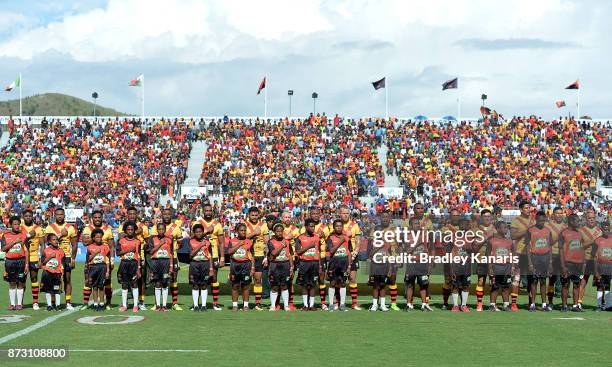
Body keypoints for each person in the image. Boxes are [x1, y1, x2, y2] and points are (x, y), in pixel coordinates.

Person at [43, 208, 77, 310]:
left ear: (64, 215)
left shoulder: (70, 228)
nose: (59, 216)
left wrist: (73, 259)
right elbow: (46, 241)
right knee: (52, 280)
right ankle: (53, 303)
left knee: (67, 279)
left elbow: (74, 245)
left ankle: (68, 303)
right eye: (57, 214)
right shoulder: (50, 227)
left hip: (65, 256)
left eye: (61, 214)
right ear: (55, 215)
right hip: (53, 257)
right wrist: (60, 235)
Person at [81, 210, 115, 310]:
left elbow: (112, 246)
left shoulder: (107, 229)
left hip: (105, 261)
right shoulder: (87, 229)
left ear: (102, 218)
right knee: (88, 281)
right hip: (91, 260)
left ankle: (108, 303)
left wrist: (112, 259)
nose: (97, 219)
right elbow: (84, 242)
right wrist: (95, 237)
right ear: (92, 218)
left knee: (107, 281)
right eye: (95, 217)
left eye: (99, 217)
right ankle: (85, 303)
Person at [193, 203, 224, 310]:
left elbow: (221, 242)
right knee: (199, 280)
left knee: (214, 278)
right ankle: (198, 304)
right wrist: (206, 231)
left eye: (210, 210)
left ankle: (215, 303)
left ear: (212, 212)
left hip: (214, 255)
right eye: (206, 210)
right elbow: (192, 237)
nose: (208, 212)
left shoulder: (217, 224)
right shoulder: (197, 223)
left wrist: (222, 257)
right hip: (200, 256)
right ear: (203, 211)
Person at [150, 208, 183, 310]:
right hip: (158, 258)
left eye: (169, 214)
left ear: (171, 215)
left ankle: (174, 303)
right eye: (165, 214)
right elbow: (153, 242)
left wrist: (173, 249)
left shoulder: (176, 227)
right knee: (157, 280)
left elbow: (180, 242)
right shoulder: (156, 228)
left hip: (172, 257)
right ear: (162, 215)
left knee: (173, 279)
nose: (167, 216)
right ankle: (157, 304)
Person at [120, 206, 150, 310]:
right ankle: (126, 303)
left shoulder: (143, 226)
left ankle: (141, 302)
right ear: (127, 215)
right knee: (126, 280)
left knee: (140, 279)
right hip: (125, 257)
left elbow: (148, 241)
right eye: (130, 214)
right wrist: (136, 232)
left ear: (137, 214)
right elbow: (120, 237)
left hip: (139, 256)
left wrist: (146, 246)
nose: (132, 216)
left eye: (134, 214)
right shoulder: (123, 225)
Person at [303, 206, 330, 310]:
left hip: (321, 257)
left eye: (317, 214)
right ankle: (308, 303)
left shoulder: (325, 227)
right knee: (308, 280)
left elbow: (329, 242)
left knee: (321, 279)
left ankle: (323, 302)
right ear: (310, 215)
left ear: (320, 215)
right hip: (308, 258)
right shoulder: (305, 226)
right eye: (313, 214)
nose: (315, 215)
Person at [525, 211, 554, 312]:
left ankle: (544, 304)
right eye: (539, 220)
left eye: (543, 220)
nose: (541, 222)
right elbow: (527, 247)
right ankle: (532, 304)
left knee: (543, 281)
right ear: (536, 220)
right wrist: (529, 262)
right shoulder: (530, 231)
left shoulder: (548, 231)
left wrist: (550, 262)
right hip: (534, 257)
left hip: (545, 258)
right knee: (534, 281)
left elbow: (550, 247)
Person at [510, 201, 535, 311]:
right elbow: (513, 235)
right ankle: (514, 303)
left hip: (532, 253)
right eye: (526, 208)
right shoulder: (516, 221)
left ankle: (531, 303)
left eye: (529, 207)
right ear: (521, 209)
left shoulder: (534, 220)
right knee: (517, 278)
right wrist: (526, 231)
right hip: (519, 252)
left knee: (532, 279)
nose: (528, 209)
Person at [404, 218, 433, 312]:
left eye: (418, 223)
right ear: (410, 226)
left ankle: (424, 304)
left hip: (422, 263)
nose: (417, 225)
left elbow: (429, 248)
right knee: (409, 285)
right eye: (415, 223)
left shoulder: (424, 236)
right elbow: (407, 251)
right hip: (411, 263)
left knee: (423, 285)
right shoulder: (407, 236)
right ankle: (409, 304)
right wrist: (417, 242)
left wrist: (430, 260)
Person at [559, 214, 586, 312]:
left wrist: (583, 262)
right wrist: (562, 265)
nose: (579, 223)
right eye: (577, 221)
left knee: (576, 284)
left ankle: (575, 306)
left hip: (578, 263)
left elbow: (581, 248)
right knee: (565, 285)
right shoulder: (563, 233)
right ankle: (564, 305)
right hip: (567, 263)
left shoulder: (579, 233)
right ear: (571, 222)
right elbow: (560, 250)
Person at [338, 205, 363, 310]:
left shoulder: (355, 225)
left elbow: (358, 240)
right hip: (339, 256)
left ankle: (354, 303)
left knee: (352, 278)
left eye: (347, 213)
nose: (345, 215)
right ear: (339, 214)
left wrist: (355, 252)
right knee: (339, 280)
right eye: (343, 213)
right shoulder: (336, 225)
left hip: (352, 255)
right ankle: (339, 303)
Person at [245, 207, 269, 311]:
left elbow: (268, 243)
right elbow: (241, 239)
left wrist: (267, 257)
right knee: (245, 281)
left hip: (259, 256)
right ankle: (245, 304)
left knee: (258, 280)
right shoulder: (244, 224)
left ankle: (257, 303)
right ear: (248, 215)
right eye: (252, 215)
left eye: (256, 215)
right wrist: (254, 233)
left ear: (258, 215)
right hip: (247, 256)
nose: (254, 217)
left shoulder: (263, 225)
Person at [295, 219, 322, 311]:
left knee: (313, 285)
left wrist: (320, 265)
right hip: (304, 264)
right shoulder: (300, 238)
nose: (312, 228)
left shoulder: (317, 237)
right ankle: (305, 305)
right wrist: (309, 246)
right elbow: (298, 252)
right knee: (304, 285)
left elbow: (319, 251)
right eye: (310, 226)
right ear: (306, 227)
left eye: (314, 226)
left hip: (314, 264)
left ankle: (312, 305)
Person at [2, 216, 29, 310]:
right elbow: (3, 249)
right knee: (12, 282)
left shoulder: (23, 236)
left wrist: (27, 264)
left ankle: (19, 304)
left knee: (20, 282)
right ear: (10, 225)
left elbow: (26, 251)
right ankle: (12, 304)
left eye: (18, 224)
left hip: (21, 261)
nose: (17, 226)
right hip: (10, 262)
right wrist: (14, 242)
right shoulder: (5, 236)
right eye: (15, 224)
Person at [487, 221, 514, 311]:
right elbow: (488, 255)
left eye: (507, 227)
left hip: (507, 266)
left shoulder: (509, 241)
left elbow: (513, 255)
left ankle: (506, 305)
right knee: (495, 286)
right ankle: (492, 305)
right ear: (498, 229)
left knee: (506, 286)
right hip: (496, 266)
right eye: (504, 227)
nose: (506, 229)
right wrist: (490, 268)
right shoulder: (491, 240)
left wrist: (513, 266)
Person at [227, 223, 254, 311]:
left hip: (246, 265)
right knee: (235, 286)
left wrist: (253, 268)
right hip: (235, 265)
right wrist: (239, 244)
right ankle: (235, 305)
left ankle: (245, 305)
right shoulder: (232, 241)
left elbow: (252, 256)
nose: (243, 232)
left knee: (246, 286)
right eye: (241, 230)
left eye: (245, 230)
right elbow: (229, 252)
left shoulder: (249, 241)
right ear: (236, 231)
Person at [579, 208, 602, 308]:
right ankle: (579, 302)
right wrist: (592, 241)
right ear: (586, 219)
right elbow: (579, 246)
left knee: (600, 282)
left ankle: (600, 304)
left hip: (598, 260)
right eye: (589, 218)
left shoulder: (600, 231)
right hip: (586, 260)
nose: (591, 220)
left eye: (593, 218)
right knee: (583, 281)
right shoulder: (581, 230)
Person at [267, 222, 293, 311]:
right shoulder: (270, 242)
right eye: (277, 231)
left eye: (281, 231)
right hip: (275, 265)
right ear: (274, 232)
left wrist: (291, 267)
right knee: (274, 286)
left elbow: (290, 255)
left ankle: (286, 306)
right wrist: (282, 246)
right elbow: (273, 253)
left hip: (285, 264)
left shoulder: (287, 242)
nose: (279, 233)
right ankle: (273, 305)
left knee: (284, 285)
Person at [450, 218, 474, 312]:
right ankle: (455, 305)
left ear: (469, 226)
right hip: (456, 262)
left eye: (466, 224)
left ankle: (463, 305)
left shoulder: (471, 237)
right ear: (459, 226)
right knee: (455, 285)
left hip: (466, 263)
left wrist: (470, 248)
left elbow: (475, 250)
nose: (464, 226)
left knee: (466, 285)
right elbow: (450, 251)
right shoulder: (453, 236)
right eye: (462, 224)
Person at [148, 223, 174, 312]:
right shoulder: (152, 239)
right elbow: (151, 252)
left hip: (166, 263)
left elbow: (171, 253)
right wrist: (160, 244)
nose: (161, 231)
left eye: (163, 229)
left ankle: (164, 305)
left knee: (165, 283)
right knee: (157, 283)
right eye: (159, 229)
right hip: (156, 262)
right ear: (157, 230)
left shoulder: (169, 240)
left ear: (165, 230)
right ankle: (158, 305)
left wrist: (171, 266)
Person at [22, 209, 44, 310]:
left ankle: (35, 302)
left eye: (29, 216)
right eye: (26, 216)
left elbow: (42, 244)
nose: (28, 217)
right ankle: (20, 302)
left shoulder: (38, 228)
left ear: (33, 217)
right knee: (22, 280)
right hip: (22, 257)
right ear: (23, 217)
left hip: (34, 256)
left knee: (34, 278)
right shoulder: (20, 227)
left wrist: (41, 258)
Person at [117, 221, 141, 313]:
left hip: (134, 264)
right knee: (124, 284)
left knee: (134, 284)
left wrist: (138, 269)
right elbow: (118, 253)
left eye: (132, 229)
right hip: (124, 264)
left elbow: (138, 255)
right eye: (128, 229)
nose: (130, 231)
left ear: (134, 230)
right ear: (125, 231)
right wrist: (128, 250)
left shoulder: (138, 241)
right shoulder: (121, 241)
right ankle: (124, 305)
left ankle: (135, 305)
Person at [326, 219, 350, 312]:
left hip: (344, 263)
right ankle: (331, 304)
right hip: (334, 264)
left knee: (343, 283)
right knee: (332, 283)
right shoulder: (330, 238)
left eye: (340, 226)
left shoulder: (346, 238)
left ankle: (342, 304)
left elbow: (349, 252)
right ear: (334, 227)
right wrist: (341, 241)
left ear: (342, 227)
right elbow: (331, 251)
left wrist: (349, 266)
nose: (339, 227)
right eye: (337, 226)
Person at [474, 209, 495, 311]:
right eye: (485, 216)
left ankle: (492, 304)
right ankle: (479, 304)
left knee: (493, 281)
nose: (487, 218)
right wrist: (486, 239)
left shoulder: (495, 229)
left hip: (493, 259)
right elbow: (474, 245)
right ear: (481, 218)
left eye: (489, 216)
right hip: (481, 258)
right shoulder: (476, 229)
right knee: (481, 280)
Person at [189, 224, 214, 311]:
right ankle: (195, 305)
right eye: (196, 232)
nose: (198, 233)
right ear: (194, 233)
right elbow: (190, 254)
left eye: (200, 232)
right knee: (195, 285)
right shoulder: (190, 241)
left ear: (203, 232)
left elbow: (210, 256)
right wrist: (200, 246)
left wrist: (211, 269)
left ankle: (203, 305)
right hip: (194, 264)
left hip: (205, 265)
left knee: (204, 285)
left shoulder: (207, 242)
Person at [544, 207, 566, 308]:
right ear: (553, 214)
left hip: (564, 256)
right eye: (557, 213)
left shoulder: (566, 226)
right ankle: (550, 302)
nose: (559, 215)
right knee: (551, 280)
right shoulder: (547, 226)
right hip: (552, 255)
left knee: (564, 280)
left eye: (561, 213)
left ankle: (564, 303)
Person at [440, 208, 461, 310]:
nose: (455, 217)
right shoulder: (444, 229)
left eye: (457, 215)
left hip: (461, 259)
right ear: (450, 216)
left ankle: (460, 304)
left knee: (460, 281)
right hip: (449, 257)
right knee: (448, 281)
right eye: (453, 215)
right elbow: (444, 242)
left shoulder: (463, 227)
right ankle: (445, 302)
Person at [86, 229, 111, 312]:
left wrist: (108, 271)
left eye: (100, 237)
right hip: (93, 268)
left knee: (101, 287)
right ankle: (95, 303)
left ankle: (102, 304)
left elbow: (107, 260)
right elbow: (88, 259)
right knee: (94, 287)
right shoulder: (90, 247)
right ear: (93, 238)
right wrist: (95, 253)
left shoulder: (105, 247)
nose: (99, 239)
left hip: (102, 267)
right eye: (97, 237)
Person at [281, 210, 300, 310]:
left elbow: (297, 244)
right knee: (279, 281)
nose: (287, 219)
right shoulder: (278, 228)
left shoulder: (295, 229)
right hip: (279, 258)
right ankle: (278, 302)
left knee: (290, 280)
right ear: (282, 218)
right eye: (285, 217)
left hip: (291, 258)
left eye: (289, 217)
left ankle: (290, 302)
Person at [40, 233, 64, 311]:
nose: (56, 241)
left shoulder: (61, 251)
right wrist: (50, 257)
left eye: (56, 239)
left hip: (57, 273)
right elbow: (41, 263)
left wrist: (61, 272)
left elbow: (62, 263)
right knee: (48, 289)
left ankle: (58, 305)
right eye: (53, 240)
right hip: (47, 273)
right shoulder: (46, 251)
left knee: (57, 289)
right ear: (49, 241)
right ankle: (49, 305)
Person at [593, 221, 611, 311]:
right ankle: (599, 305)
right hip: (600, 266)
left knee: (608, 285)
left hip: (610, 266)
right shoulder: (597, 241)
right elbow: (594, 257)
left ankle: (608, 305)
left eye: (608, 229)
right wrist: (596, 271)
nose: (606, 230)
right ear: (601, 229)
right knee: (600, 285)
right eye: (605, 229)